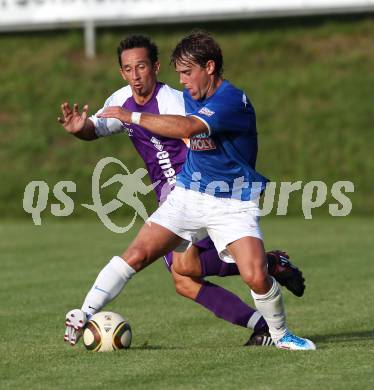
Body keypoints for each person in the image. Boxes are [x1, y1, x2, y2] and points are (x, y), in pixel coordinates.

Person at [60, 34, 312, 350]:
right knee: (182, 276)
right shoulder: (120, 100)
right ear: (122, 72)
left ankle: (268, 282)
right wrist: (79, 129)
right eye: (128, 69)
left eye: (141, 66)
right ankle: (83, 314)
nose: (136, 75)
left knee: (190, 272)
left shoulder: (180, 100)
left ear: (154, 67)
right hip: (182, 197)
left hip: (217, 193)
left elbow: (187, 129)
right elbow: (96, 128)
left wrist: (134, 118)